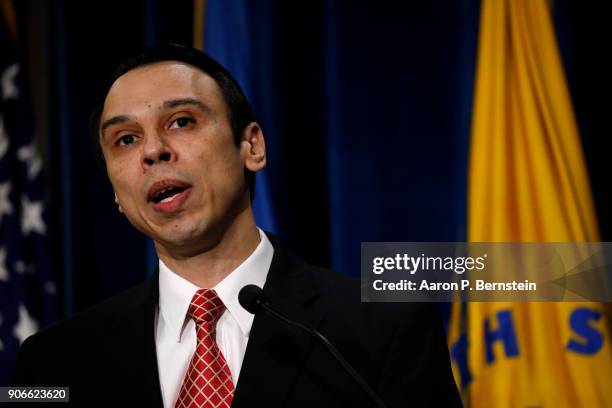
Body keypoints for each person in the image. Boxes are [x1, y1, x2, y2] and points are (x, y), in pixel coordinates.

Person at [12, 44, 461, 407]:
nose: (153, 152)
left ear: (252, 145)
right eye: (126, 140)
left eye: (182, 122)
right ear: (115, 191)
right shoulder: (53, 364)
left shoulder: (381, 333)